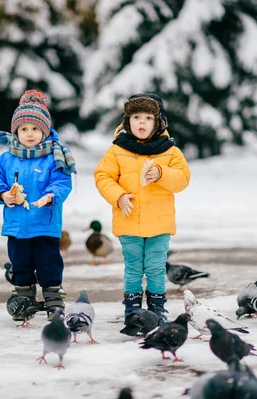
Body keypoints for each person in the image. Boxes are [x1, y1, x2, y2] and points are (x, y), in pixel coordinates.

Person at [94, 93, 190, 322]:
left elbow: (183, 179)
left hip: (159, 224)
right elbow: (103, 177)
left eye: (148, 117)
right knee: (134, 267)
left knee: (156, 267)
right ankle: (133, 309)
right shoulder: (117, 150)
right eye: (136, 117)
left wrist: (161, 173)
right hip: (129, 221)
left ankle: (157, 309)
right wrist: (118, 197)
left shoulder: (170, 151)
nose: (142, 122)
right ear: (127, 121)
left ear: (158, 122)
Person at [0, 90, 76, 320]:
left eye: (35, 129)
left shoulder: (53, 157)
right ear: (16, 132)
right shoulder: (6, 159)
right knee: (20, 263)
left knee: (49, 263)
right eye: (24, 129)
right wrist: (4, 194)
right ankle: (24, 298)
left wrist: (51, 196)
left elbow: (62, 181)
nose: (30, 134)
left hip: (45, 223)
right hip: (16, 226)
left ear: (45, 131)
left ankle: (54, 298)